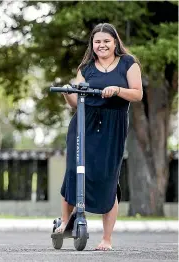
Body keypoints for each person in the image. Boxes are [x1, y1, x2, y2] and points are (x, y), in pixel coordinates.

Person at [56, 23, 143, 251]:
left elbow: (137, 93)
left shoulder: (128, 63)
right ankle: (65, 222)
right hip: (85, 121)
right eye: (97, 42)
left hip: (113, 124)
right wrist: (68, 94)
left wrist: (117, 90)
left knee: (107, 178)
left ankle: (106, 239)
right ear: (92, 45)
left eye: (106, 41)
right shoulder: (86, 68)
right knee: (75, 169)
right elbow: (76, 101)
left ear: (115, 42)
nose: (102, 45)